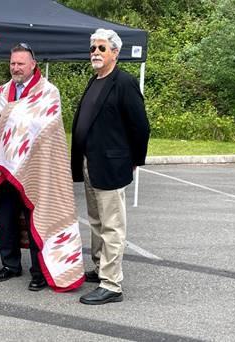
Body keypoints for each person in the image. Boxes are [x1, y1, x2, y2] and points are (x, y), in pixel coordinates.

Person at [0, 43, 85, 292]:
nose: (15, 68)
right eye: (12, 63)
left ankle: (39, 271)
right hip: (3, 170)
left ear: (33, 65)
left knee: (36, 219)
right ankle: (10, 265)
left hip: (36, 170)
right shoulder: (1, 92)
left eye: (20, 64)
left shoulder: (49, 92)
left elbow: (46, 129)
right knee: (6, 218)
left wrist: (13, 125)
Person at [71, 28, 150, 305]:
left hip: (112, 165)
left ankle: (112, 284)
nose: (95, 52)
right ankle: (100, 267)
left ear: (115, 52)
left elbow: (140, 127)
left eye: (101, 48)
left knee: (112, 226)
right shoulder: (95, 80)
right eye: (93, 48)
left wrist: (133, 162)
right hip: (90, 163)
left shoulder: (124, 83)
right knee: (96, 221)